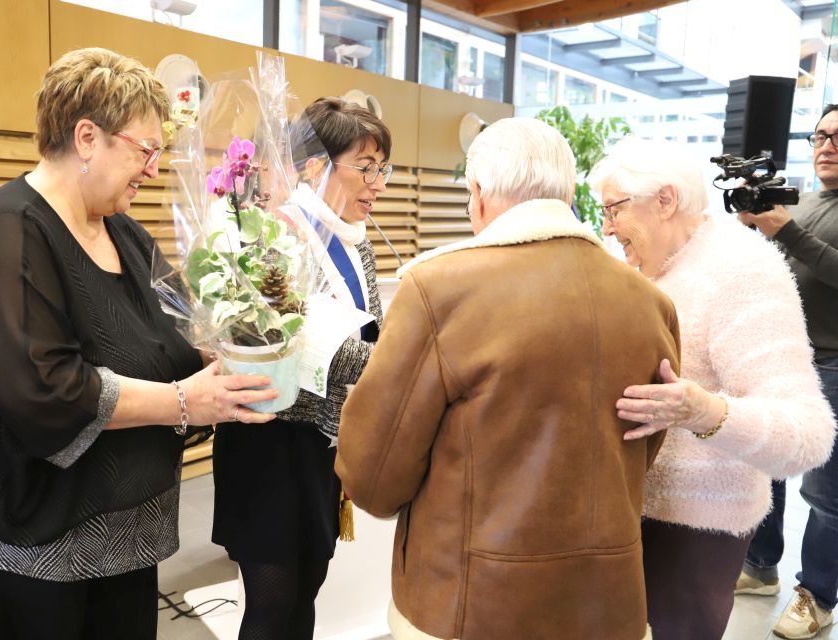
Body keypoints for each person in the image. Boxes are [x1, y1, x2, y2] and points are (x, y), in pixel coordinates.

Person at [0, 48, 278, 640]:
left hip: (116, 528)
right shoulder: (4, 233)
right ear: (87, 137)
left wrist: (225, 353)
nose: (154, 170)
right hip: (18, 536)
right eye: (145, 150)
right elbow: (46, 389)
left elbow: (174, 333)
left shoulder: (123, 231)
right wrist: (185, 401)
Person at [335, 117, 681, 640]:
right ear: (564, 192)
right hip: (607, 604)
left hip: (470, 603)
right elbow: (644, 442)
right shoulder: (652, 304)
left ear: (477, 194)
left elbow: (374, 474)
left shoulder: (439, 290)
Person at [591, 137, 836, 640]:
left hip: (695, 529)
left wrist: (704, 412)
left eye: (614, 209)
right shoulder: (654, 265)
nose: (608, 227)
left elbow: (808, 433)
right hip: (628, 512)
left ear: (665, 200)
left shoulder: (742, 271)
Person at [210, 97, 391, 640]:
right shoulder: (270, 236)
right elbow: (324, 351)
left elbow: (371, 330)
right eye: (365, 167)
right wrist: (411, 359)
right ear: (315, 166)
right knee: (270, 604)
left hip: (325, 445)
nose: (377, 183)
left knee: (309, 589)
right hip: (269, 442)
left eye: (382, 169)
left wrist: (393, 355)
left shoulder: (357, 244)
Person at [734, 104, 838, 640]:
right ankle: (759, 566)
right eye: (820, 135)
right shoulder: (808, 200)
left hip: (834, 362)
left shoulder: (808, 213)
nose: (827, 145)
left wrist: (788, 231)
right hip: (788, 354)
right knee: (769, 460)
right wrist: (759, 229)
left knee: (825, 491)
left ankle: (817, 596)